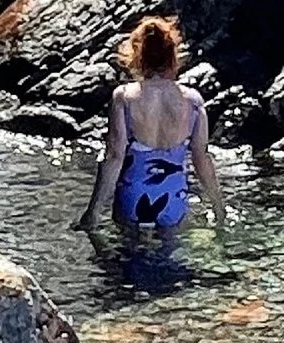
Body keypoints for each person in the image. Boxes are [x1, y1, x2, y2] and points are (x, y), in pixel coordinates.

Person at [82, 13, 224, 235]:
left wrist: (93, 212)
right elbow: (201, 158)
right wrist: (218, 206)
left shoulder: (124, 97)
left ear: (138, 55)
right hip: (173, 198)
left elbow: (114, 157)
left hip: (133, 197)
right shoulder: (193, 101)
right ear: (172, 55)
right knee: (171, 258)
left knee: (128, 259)